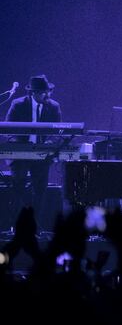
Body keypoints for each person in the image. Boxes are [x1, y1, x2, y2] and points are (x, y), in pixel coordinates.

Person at [4, 74, 62, 228]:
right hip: (20, 154)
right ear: (33, 93)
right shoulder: (18, 104)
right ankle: (15, 226)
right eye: (44, 92)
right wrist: (23, 146)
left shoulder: (54, 106)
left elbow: (59, 132)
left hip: (42, 155)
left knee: (40, 190)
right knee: (18, 187)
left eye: (48, 91)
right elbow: (8, 129)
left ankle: (34, 227)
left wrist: (50, 142)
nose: (47, 95)